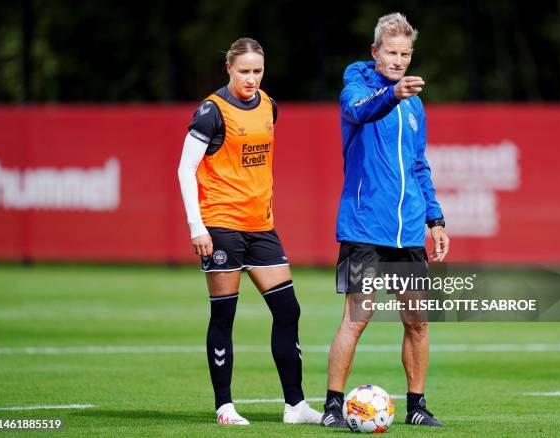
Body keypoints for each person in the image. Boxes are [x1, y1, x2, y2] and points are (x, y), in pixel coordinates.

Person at [177, 37, 321, 426]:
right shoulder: (212, 111)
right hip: (221, 224)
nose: (251, 78)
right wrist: (198, 227)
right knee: (224, 316)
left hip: (262, 227)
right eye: (244, 71)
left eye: (257, 71)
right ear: (229, 68)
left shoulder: (270, 106)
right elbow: (185, 169)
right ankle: (224, 406)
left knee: (288, 309)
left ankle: (295, 407)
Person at [320, 13, 449, 428]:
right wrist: (393, 94)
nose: (398, 60)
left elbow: (418, 164)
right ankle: (332, 408)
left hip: (409, 230)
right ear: (375, 51)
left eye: (405, 54)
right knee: (357, 318)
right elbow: (361, 111)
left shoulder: (415, 104)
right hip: (364, 226)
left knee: (418, 321)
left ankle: (416, 406)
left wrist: (435, 217)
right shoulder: (357, 88)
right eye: (391, 52)